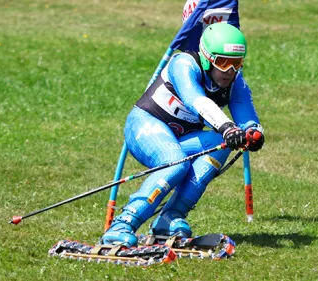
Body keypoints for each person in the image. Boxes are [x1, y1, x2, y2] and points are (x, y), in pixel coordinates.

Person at [102, 23, 264, 247]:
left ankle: (169, 219)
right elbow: (195, 99)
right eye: (223, 62)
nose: (230, 70)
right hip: (146, 125)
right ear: (207, 58)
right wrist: (227, 127)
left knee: (219, 143)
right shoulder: (183, 64)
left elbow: (247, 116)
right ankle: (122, 224)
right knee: (175, 163)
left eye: (236, 63)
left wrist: (253, 134)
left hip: (179, 140)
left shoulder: (235, 82)